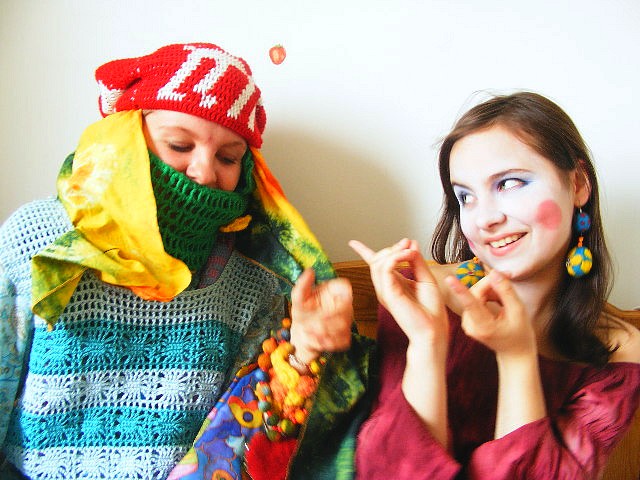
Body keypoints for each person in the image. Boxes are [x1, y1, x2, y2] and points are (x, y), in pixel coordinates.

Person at [0, 42, 354, 479]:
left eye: (228, 157)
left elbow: (241, 436)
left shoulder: (252, 281)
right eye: (179, 144)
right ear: (128, 139)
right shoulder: (39, 241)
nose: (204, 172)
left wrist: (303, 352)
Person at [349, 92, 640, 479]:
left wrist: (517, 358)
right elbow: (387, 472)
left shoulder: (619, 354)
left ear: (578, 184)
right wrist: (427, 344)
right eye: (465, 196)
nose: (484, 218)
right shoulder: (421, 293)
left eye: (510, 183)